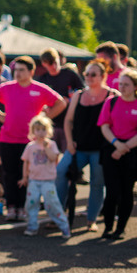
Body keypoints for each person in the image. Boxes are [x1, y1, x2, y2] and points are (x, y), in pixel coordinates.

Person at [0, 56, 66, 222]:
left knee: (27, 174)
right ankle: (12, 206)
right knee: (9, 174)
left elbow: (61, 103)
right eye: (16, 70)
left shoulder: (39, 88)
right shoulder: (7, 87)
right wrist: (0, 116)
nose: (18, 73)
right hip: (8, 138)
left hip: (30, 142)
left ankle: (23, 207)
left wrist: (44, 119)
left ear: (31, 72)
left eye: (22, 70)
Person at [57, 59, 116, 234]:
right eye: (87, 74)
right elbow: (68, 121)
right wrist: (69, 142)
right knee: (61, 172)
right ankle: (59, 215)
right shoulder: (79, 95)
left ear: (103, 76)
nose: (89, 77)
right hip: (78, 148)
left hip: (100, 149)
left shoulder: (112, 96)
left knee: (98, 183)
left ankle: (91, 220)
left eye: (93, 74)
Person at [98, 69, 137, 239]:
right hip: (111, 151)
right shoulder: (111, 102)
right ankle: (108, 226)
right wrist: (116, 144)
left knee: (126, 192)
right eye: (120, 84)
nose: (122, 87)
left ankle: (120, 228)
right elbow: (104, 126)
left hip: (131, 154)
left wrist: (124, 148)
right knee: (112, 191)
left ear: (136, 86)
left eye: (126, 84)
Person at [20, 114, 70, 238]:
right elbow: (26, 162)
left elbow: (53, 158)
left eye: (43, 129)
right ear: (33, 131)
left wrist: (46, 147)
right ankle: (32, 226)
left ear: (48, 131)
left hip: (48, 181)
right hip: (33, 181)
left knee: (52, 203)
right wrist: (24, 177)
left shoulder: (52, 145)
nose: (41, 133)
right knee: (31, 203)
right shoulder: (30, 146)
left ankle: (64, 226)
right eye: (38, 130)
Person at [36, 48, 84, 151]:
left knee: (69, 157)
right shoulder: (43, 79)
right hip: (51, 125)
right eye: (49, 64)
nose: (53, 66)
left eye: (55, 62)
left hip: (69, 124)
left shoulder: (70, 74)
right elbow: (38, 100)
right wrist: (44, 107)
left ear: (59, 59)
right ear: (44, 64)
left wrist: (71, 100)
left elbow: (83, 93)